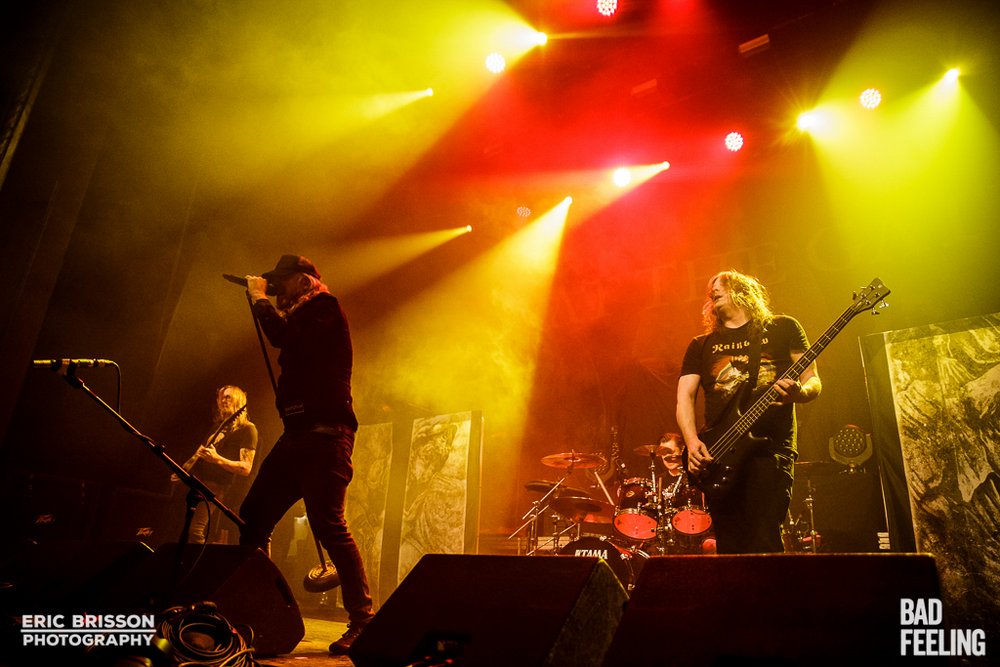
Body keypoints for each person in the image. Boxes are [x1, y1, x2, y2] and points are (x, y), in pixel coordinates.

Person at [238, 254, 373, 655]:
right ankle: (260, 607)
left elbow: (282, 337)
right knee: (253, 517)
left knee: (329, 525)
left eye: (282, 282)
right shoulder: (301, 317)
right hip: (296, 436)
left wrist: (259, 299)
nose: (277, 290)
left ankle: (363, 620)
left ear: (303, 281)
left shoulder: (324, 308)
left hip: (326, 437)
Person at [676, 270, 821, 554]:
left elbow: (812, 378)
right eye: (710, 290)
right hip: (719, 453)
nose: (712, 290)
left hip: (770, 448)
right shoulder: (701, 344)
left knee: (764, 537)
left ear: (742, 290)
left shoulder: (782, 328)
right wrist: (692, 443)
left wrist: (800, 393)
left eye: (720, 285)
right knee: (729, 543)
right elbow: (684, 398)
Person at [174, 385, 257, 544]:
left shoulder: (248, 429)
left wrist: (217, 459)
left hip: (216, 486)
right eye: (221, 397)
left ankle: (201, 560)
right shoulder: (218, 427)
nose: (223, 401)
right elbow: (199, 453)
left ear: (239, 400)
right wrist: (182, 470)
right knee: (180, 527)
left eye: (228, 397)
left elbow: (246, 468)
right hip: (198, 482)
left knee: (195, 530)